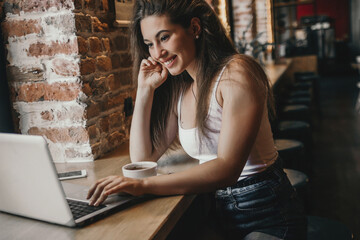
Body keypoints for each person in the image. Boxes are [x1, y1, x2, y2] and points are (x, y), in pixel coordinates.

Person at [87, 0, 307, 239]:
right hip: (219, 210)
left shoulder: (236, 72)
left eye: (164, 37)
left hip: (266, 212)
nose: (157, 53)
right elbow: (143, 159)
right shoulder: (181, 89)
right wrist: (144, 90)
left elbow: (227, 169)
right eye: (149, 44)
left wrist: (143, 186)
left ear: (194, 28)